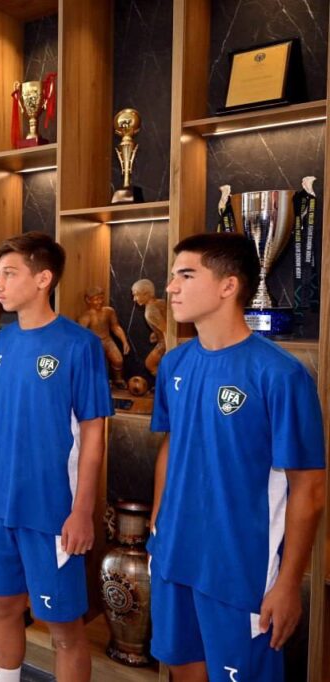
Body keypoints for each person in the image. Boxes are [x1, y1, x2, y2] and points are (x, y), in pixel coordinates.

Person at [148, 232, 325, 681]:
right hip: (175, 557)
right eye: (172, 277)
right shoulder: (174, 364)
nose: (171, 288)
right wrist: (158, 523)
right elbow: (171, 443)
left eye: (186, 275)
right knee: (183, 671)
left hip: (239, 571)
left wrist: (288, 584)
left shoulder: (281, 375)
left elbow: (310, 489)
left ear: (228, 286)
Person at [0, 232, 112, 682]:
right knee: (3, 607)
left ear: (43, 279)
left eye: (9, 274)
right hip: (2, 507)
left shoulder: (79, 345)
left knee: (65, 630)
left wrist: (82, 512)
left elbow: (93, 433)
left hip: (52, 512)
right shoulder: (5, 343)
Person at [77, 285, 130, 387]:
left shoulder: (109, 311)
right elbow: (81, 335)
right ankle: (100, 383)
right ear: (88, 300)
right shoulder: (85, 317)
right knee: (98, 365)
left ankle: (118, 380)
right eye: (96, 299)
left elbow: (115, 327)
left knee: (118, 360)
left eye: (101, 298)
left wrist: (124, 341)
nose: (99, 302)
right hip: (95, 344)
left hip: (108, 340)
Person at [131, 278, 167, 375]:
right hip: (163, 341)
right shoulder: (160, 302)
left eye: (136, 295)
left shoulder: (150, 312)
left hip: (164, 344)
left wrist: (170, 350)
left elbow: (166, 330)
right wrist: (155, 333)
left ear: (146, 294)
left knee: (150, 364)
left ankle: (165, 384)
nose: (134, 299)